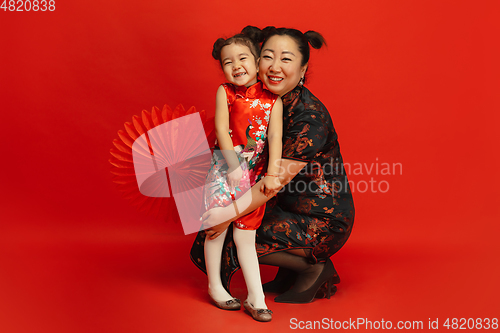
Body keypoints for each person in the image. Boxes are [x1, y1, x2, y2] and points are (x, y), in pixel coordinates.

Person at [191, 26, 354, 305]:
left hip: (320, 220)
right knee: (220, 216)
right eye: (268, 56)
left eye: (286, 59)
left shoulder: (309, 118)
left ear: (303, 70)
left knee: (231, 226)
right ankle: (288, 271)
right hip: (285, 206)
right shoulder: (258, 99)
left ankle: (313, 268)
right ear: (256, 61)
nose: (275, 67)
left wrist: (225, 215)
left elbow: (272, 183)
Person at [201, 26, 283, 322]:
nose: (236, 66)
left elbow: (275, 138)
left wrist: (272, 173)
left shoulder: (274, 99)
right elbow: (222, 129)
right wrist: (233, 167)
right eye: (228, 62)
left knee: (246, 235)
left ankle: (256, 297)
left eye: (243, 58)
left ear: (258, 60)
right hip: (224, 171)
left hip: (256, 176)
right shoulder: (225, 93)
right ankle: (216, 287)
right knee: (217, 229)